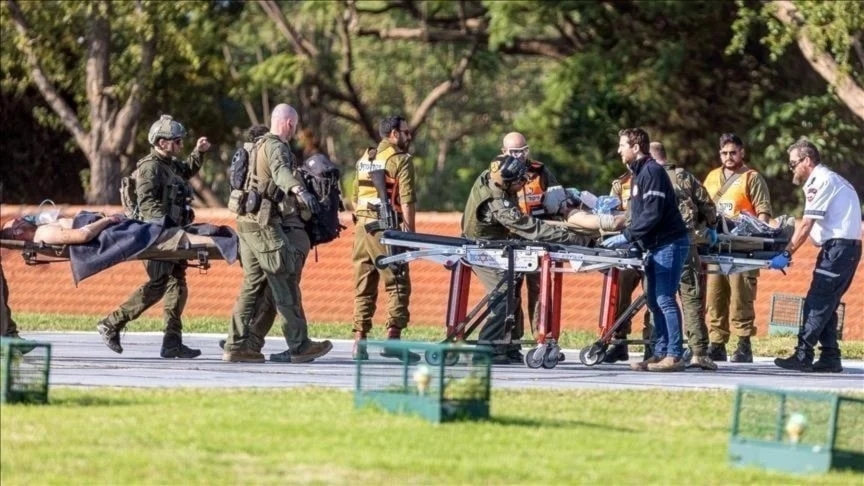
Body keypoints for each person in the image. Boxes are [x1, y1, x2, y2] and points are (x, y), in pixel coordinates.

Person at [223, 105, 333, 364]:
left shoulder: (255, 145)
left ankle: (236, 345)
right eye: (294, 125)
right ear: (288, 124)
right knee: (284, 279)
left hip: (245, 223)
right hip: (263, 224)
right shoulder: (276, 147)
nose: (294, 131)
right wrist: (300, 190)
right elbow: (281, 172)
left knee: (252, 284)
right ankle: (299, 345)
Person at [96, 115, 210, 359]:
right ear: (161, 142)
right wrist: (168, 229)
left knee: (176, 284)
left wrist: (199, 153)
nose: (180, 144)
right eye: (176, 141)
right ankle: (112, 323)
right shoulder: (150, 167)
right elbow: (148, 204)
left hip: (171, 233)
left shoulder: (169, 164)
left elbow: (187, 170)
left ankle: (172, 342)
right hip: (155, 234)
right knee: (159, 284)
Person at [463, 155, 588, 365]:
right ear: (508, 183)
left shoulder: (494, 174)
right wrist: (573, 239)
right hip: (483, 250)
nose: (524, 183)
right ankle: (486, 350)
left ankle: (508, 346)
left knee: (511, 291)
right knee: (504, 295)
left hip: (498, 245)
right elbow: (529, 227)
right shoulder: (497, 202)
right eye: (520, 181)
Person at [601, 128, 690, 372]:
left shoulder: (652, 172)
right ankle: (659, 352)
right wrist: (636, 243)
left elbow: (652, 213)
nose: (619, 150)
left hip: (670, 243)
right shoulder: (639, 174)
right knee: (653, 300)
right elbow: (641, 214)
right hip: (654, 245)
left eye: (622, 145)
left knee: (664, 299)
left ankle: (674, 355)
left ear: (636, 147)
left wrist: (627, 236)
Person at [771, 140, 861, 373]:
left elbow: (806, 225)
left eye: (793, 164)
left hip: (838, 250)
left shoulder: (820, 181)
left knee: (817, 302)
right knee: (827, 303)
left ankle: (803, 355)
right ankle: (830, 356)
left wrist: (786, 252)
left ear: (807, 160)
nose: (791, 169)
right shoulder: (834, 179)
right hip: (843, 249)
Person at [351, 115, 417, 361]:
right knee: (397, 282)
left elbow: (355, 197)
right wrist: (410, 235)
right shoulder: (401, 160)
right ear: (394, 134)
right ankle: (393, 340)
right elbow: (407, 200)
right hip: (385, 229)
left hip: (362, 228)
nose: (409, 136)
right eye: (406, 132)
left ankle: (360, 342)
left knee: (364, 285)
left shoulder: (365, 158)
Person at [648, 141, 718, 370]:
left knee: (658, 298)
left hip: (658, 245)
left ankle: (660, 350)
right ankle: (698, 353)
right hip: (687, 244)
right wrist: (710, 227)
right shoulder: (685, 177)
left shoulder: (647, 177)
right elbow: (708, 207)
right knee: (690, 297)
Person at [702, 133, 772, 363]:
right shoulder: (712, 177)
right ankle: (717, 343)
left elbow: (763, 212)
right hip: (717, 245)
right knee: (715, 296)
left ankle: (743, 344)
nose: (729, 157)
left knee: (742, 297)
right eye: (724, 153)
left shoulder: (752, 177)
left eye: (733, 152)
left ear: (742, 153)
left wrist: (758, 240)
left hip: (742, 248)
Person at [502, 132, 563, 352]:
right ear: (503, 152)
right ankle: (511, 342)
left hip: (538, 238)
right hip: (512, 239)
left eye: (523, 151)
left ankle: (543, 339)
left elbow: (558, 199)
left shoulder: (540, 171)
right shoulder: (499, 172)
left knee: (540, 290)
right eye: (513, 152)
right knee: (510, 290)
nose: (519, 156)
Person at [603, 167, 651, 363]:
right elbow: (609, 213)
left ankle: (652, 343)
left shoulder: (657, 180)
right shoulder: (620, 184)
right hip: (627, 248)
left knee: (654, 297)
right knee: (619, 295)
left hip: (652, 246)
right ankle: (619, 341)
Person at [1, 214, 122, 244]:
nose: (20, 218)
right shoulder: (44, 234)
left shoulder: (41, 228)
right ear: (18, 232)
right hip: (111, 231)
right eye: (17, 221)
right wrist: (107, 220)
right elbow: (83, 235)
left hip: (108, 227)